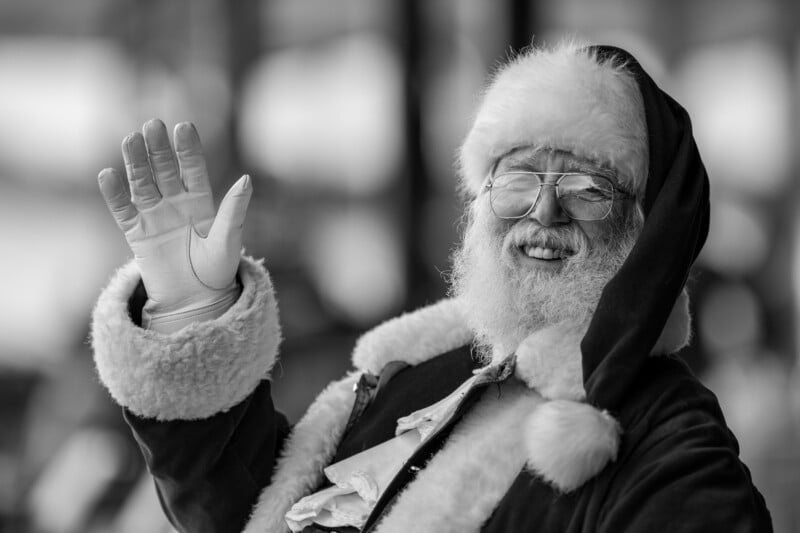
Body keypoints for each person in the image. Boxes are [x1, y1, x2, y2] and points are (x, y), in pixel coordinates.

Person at [91, 42, 773, 533]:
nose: (542, 214)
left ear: (645, 234)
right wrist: (192, 319)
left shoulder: (670, 446)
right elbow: (249, 512)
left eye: (585, 188)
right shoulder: (429, 371)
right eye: (516, 181)